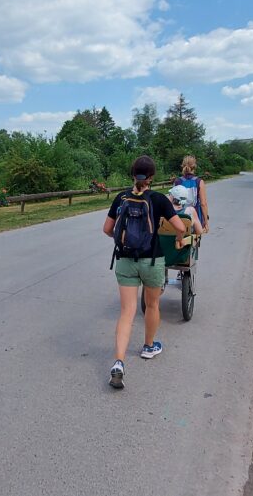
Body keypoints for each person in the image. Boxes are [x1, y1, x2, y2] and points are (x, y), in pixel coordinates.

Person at [102, 155, 186, 389]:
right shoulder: (158, 198)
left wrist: (123, 239)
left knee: (127, 312)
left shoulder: (121, 198)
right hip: (152, 261)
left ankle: (119, 362)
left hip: (125, 260)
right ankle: (149, 347)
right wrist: (179, 239)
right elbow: (180, 226)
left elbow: (107, 229)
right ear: (151, 177)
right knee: (152, 305)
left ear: (132, 174)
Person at [172, 155, 209, 233]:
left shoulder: (177, 181)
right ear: (194, 166)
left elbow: (173, 200)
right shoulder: (199, 182)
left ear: (183, 165)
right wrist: (206, 221)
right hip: (195, 216)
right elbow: (203, 204)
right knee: (194, 238)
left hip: (179, 216)